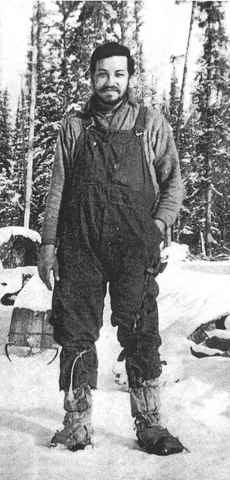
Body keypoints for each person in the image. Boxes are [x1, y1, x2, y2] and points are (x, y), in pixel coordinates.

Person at [38, 42, 184, 455]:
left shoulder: (149, 123)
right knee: (76, 333)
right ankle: (77, 423)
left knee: (140, 333)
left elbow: (174, 183)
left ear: (129, 78)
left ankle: (151, 424)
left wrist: (156, 226)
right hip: (80, 245)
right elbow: (57, 190)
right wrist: (48, 244)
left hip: (133, 248)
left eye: (118, 74)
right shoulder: (74, 126)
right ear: (91, 76)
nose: (110, 82)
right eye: (102, 74)